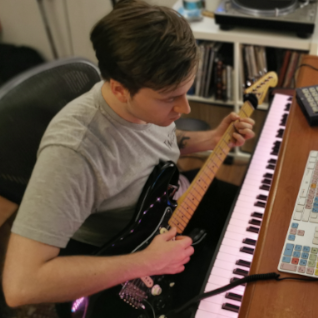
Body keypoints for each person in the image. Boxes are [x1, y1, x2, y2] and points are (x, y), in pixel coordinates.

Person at [2, 0, 255, 316]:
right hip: (127, 259)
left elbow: (150, 147)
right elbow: (21, 285)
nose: (185, 109)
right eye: (170, 98)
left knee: (262, 218)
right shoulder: (74, 154)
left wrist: (212, 139)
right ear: (120, 90)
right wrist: (147, 261)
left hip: (167, 208)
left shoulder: (144, 104)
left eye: (185, 91)